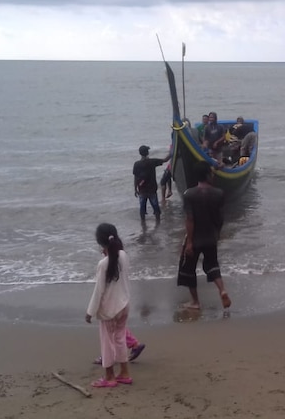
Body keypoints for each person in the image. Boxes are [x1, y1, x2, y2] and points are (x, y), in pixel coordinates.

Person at [177, 160, 231, 310]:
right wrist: (217, 235)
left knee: (188, 269)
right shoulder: (219, 194)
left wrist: (189, 242)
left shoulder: (189, 194)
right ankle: (222, 290)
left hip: (195, 239)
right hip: (210, 236)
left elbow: (190, 219)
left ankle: (195, 302)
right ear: (208, 174)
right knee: (213, 265)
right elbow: (220, 219)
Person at [85, 223, 133, 388]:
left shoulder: (103, 263)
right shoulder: (123, 256)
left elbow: (99, 291)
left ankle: (110, 376)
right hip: (124, 305)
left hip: (109, 309)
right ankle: (125, 373)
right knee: (120, 339)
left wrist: (90, 312)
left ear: (101, 243)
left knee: (107, 341)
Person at [133, 145, 172, 221]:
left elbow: (135, 177)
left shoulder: (136, 164)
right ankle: (158, 223)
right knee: (156, 208)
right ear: (147, 153)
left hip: (142, 189)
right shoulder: (152, 162)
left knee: (142, 209)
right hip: (152, 189)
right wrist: (172, 152)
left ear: (140, 153)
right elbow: (165, 160)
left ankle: (143, 225)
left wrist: (135, 189)